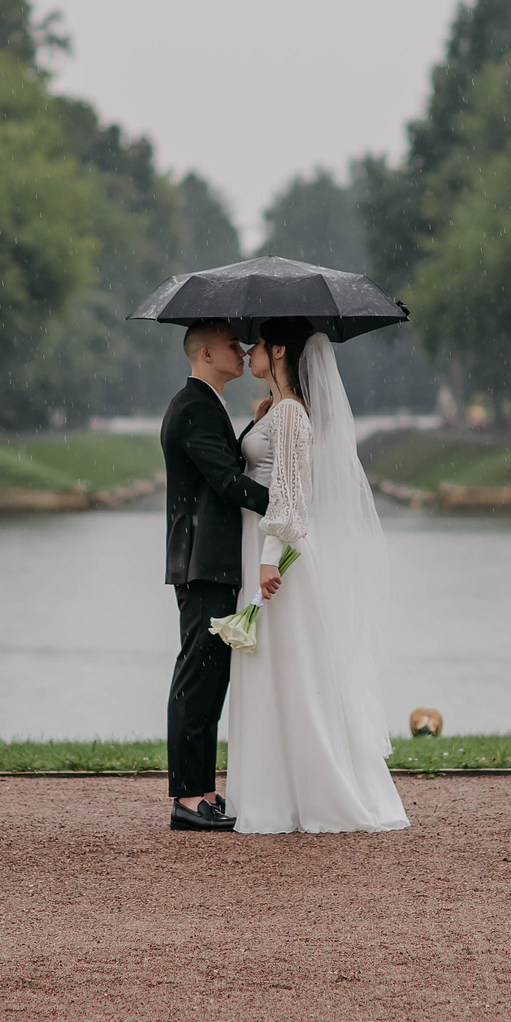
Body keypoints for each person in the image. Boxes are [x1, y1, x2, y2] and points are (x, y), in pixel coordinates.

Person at [224, 317, 409, 834]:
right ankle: (277, 791)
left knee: (293, 671)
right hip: (265, 551)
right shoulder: (277, 412)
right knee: (278, 671)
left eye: (257, 344)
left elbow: (289, 498)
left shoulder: (289, 416)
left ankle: (304, 791)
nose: (250, 350)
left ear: (278, 350)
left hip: (276, 559)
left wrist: (267, 557)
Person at [158, 319, 271, 831]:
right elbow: (227, 482)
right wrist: (287, 502)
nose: (243, 350)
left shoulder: (204, 405)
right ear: (207, 353)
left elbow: (223, 466)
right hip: (203, 563)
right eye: (232, 345)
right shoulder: (195, 407)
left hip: (211, 561)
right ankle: (187, 798)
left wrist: (253, 430)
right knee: (197, 681)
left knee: (210, 681)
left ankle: (204, 791)